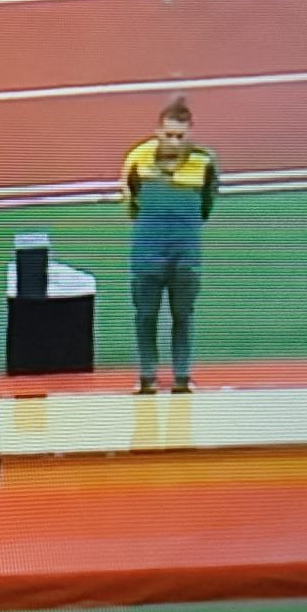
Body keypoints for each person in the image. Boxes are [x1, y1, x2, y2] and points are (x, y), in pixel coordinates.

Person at [121, 97, 220, 395]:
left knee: (183, 316)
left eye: (180, 136)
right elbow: (131, 202)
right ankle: (147, 377)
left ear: (190, 133)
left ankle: (182, 377)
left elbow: (207, 205)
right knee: (145, 316)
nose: (174, 142)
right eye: (168, 135)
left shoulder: (204, 162)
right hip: (147, 254)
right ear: (158, 132)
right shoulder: (138, 159)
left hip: (185, 255)